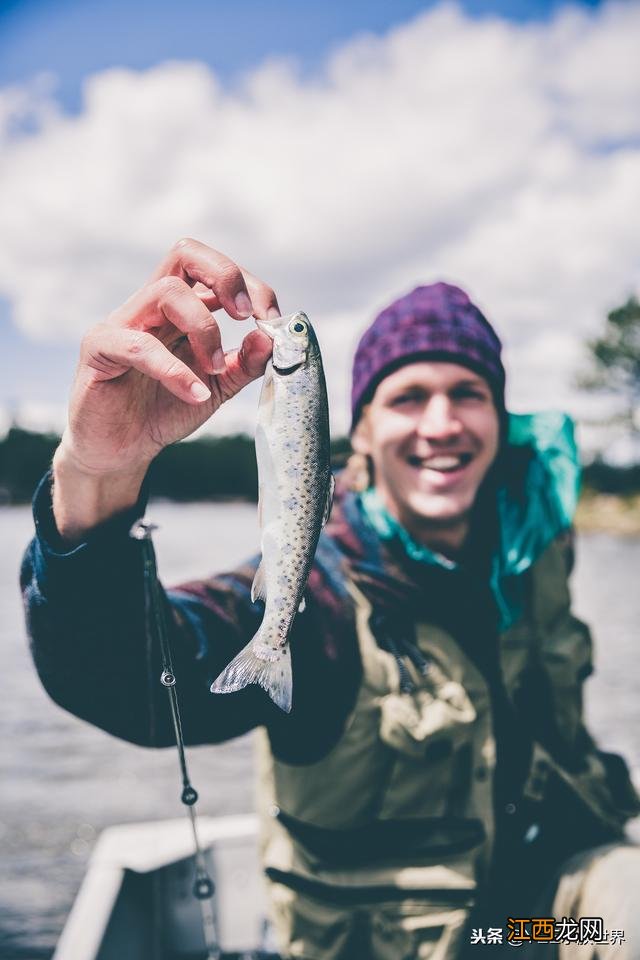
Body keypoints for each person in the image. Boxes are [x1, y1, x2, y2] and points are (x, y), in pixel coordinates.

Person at [21, 239, 640, 959]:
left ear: (499, 420)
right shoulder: (320, 595)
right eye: (408, 397)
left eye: (467, 394)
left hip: (517, 927)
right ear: (365, 432)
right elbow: (125, 676)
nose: (441, 424)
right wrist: (96, 478)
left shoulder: (534, 560)